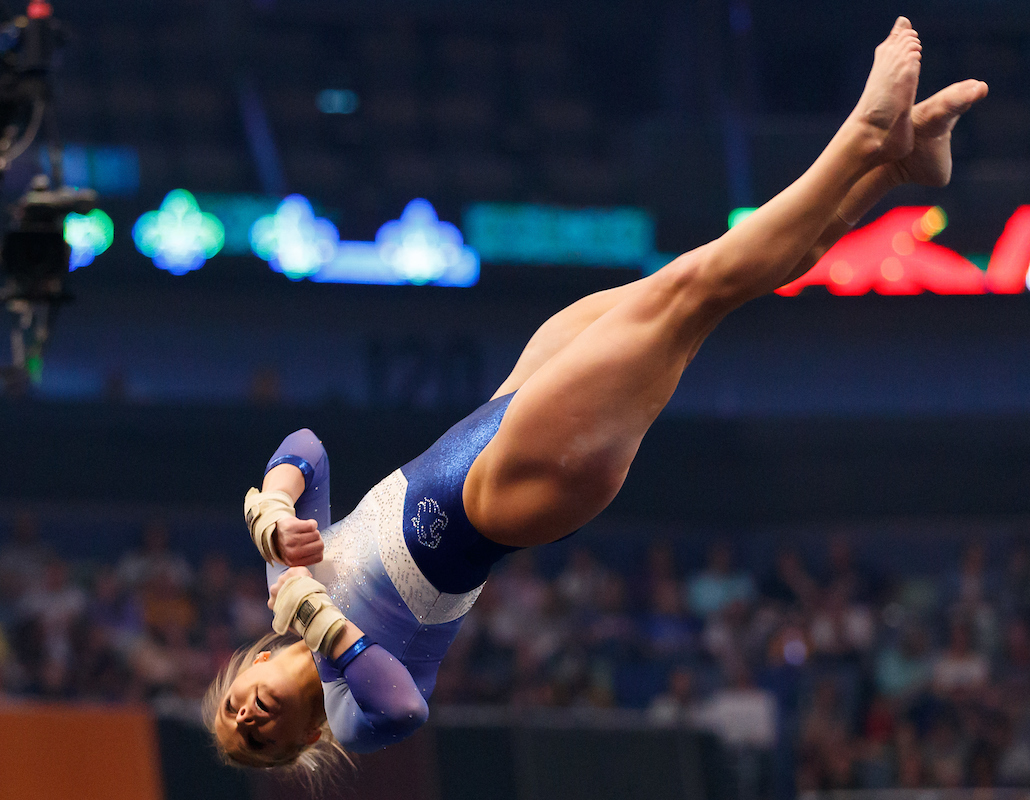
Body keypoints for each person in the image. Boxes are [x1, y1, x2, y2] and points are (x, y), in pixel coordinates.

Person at [205, 18, 988, 778]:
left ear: (241, 671)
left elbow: (305, 446)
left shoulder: (282, 583)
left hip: (498, 411)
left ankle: (897, 169)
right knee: (695, 288)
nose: (247, 720)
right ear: (302, 743)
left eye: (232, 711)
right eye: (260, 744)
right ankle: (866, 135)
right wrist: (322, 624)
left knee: (710, 275)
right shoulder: (346, 711)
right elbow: (405, 710)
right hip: (505, 491)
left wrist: (271, 510)